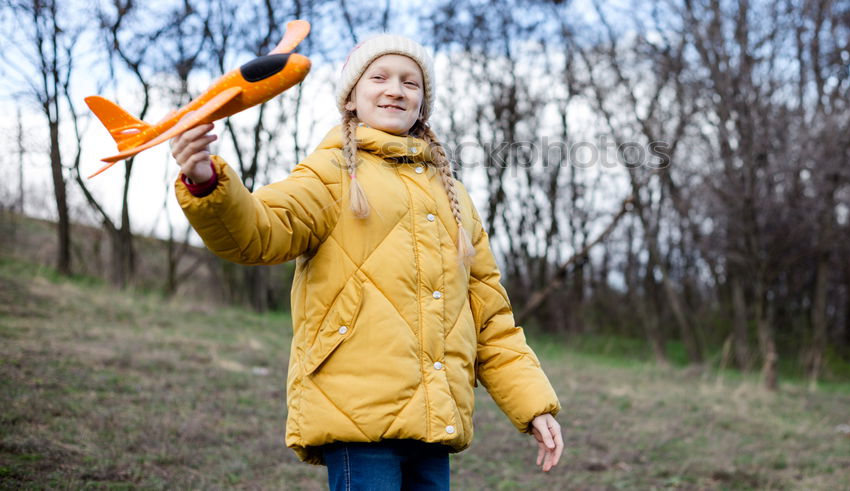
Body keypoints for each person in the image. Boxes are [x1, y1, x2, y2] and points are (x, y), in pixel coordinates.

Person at [170, 34, 563, 489]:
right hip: (356, 414)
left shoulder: (454, 197)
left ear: (423, 104)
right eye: (379, 77)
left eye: (410, 82)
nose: (395, 89)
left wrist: (533, 404)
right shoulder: (329, 174)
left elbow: (490, 317)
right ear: (352, 98)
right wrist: (204, 180)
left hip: (434, 423)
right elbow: (259, 232)